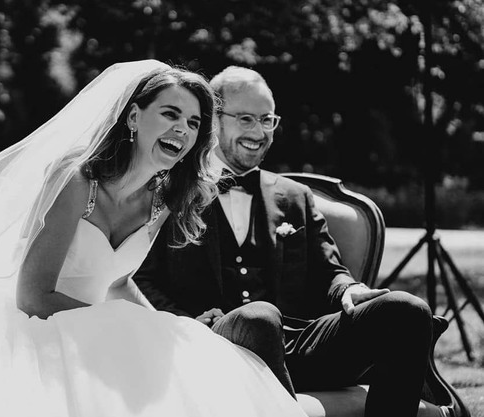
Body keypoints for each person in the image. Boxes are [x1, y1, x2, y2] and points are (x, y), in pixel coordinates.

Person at [0, 60, 309, 417]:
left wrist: (156, 327)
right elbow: (32, 295)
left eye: (194, 122)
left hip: (100, 331)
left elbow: (117, 280)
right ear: (134, 117)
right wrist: (126, 329)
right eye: (170, 114)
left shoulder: (163, 198)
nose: (183, 129)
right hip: (36, 331)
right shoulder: (76, 180)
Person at [133, 65, 434, 417]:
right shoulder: (169, 190)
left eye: (267, 120)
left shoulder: (295, 196)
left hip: (301, 347)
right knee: (260, 316)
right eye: (245, 119)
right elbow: (141, 279)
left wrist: (348, 289)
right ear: (213, 120)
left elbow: (329, 272)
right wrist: (187, 323)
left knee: (407, 309)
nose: (258, 131)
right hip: (217, 346)